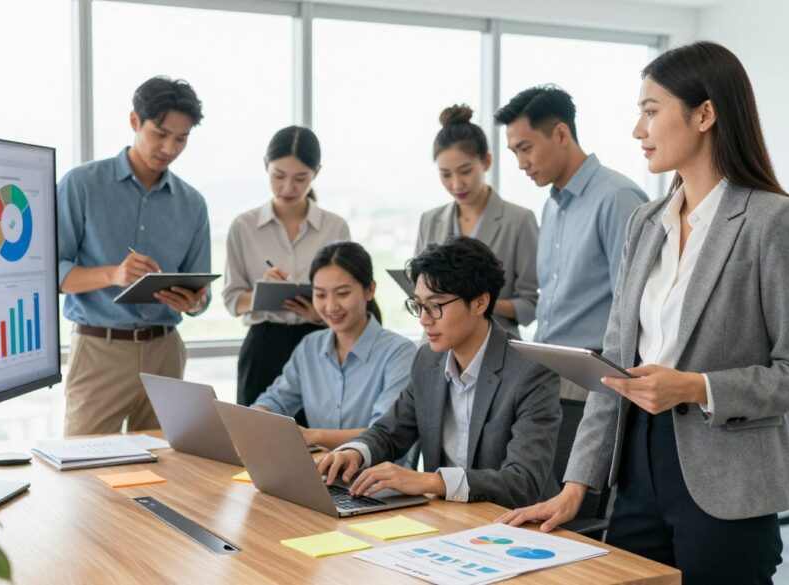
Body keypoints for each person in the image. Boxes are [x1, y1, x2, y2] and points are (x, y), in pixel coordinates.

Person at [497, 42, 789, 585]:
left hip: (728, 483)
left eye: (651, 110)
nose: (637, 129)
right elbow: (613, 367)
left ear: (705, 114)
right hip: (635, 471)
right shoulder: (645, 223)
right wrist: (576, 485)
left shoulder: (773, 222)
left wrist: (696, 387)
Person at [318, 237, 561, 509]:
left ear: (480, 302)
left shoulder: (532, 372)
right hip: (447, 518)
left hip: (515, 524)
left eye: (436, 305)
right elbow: (390, 432)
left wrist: (432, 482)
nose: (424, 319)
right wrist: (354, 452)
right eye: (419, 305)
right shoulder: (427, 360)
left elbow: (522, 482)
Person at [58, 76, 211, 436]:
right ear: (134, 122)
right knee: (84, 474)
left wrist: (192, 302)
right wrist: (112, 275)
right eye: (160, 133)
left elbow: (200, 292)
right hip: (100, 351)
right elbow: (51, 273)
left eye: (181, 138)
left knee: (165, 469)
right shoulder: (81, 185)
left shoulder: (193, 203)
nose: (169, 148)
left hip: (165, 353)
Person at [494, 85, 648, 400]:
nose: (521, 163)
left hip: (591, 374)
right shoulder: (551, 206)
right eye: (514, 153)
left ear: (562, 134)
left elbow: (635, 303)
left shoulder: (617, 197)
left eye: (526, 148)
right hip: (544, 368)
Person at [223, 126, 351, 414]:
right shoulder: (244, 226)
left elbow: (348, 294)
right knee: (256, 440)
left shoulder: (335, 227)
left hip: (318, 343)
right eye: (278, 176)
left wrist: (317, 312)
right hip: (263, 345)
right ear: (265, 166)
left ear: (316, 173)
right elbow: (233, 300)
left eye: (300, 178)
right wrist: (261, 291)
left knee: (317, 440)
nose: (288, 188)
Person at [252, 242, 416, 449]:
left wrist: (313, 436)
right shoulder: (309, 347)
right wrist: (255, 418)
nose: (331, 306)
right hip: (320, 472)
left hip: (379, 477)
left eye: (343, 293)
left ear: (370, 290)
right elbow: (275, 400)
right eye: (320, 295)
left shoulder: (400, 353)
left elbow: (383, 431)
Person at [415, 105, 539, 339]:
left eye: (465, 171)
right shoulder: (429, 221)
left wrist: (473, 301)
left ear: (486, 162)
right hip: (437, 348)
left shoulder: (519, 220)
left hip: (497, 348)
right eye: (446, 174)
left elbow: (530, 306)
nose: (456, 184)